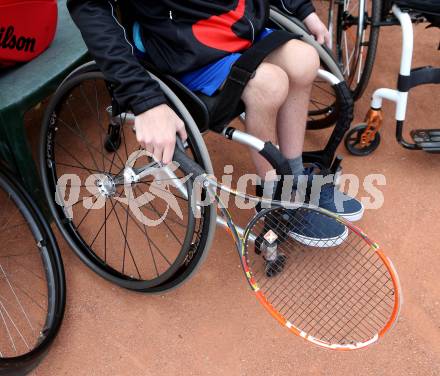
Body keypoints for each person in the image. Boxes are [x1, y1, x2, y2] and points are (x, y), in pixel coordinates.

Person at [68, 0, 364, 248]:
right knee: (269, 84)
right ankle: (278, 198)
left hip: (232, 26)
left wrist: (302, 9)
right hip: (180, 47)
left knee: (305, 59)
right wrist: (144, 99)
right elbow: (89, 6)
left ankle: (296, 177)